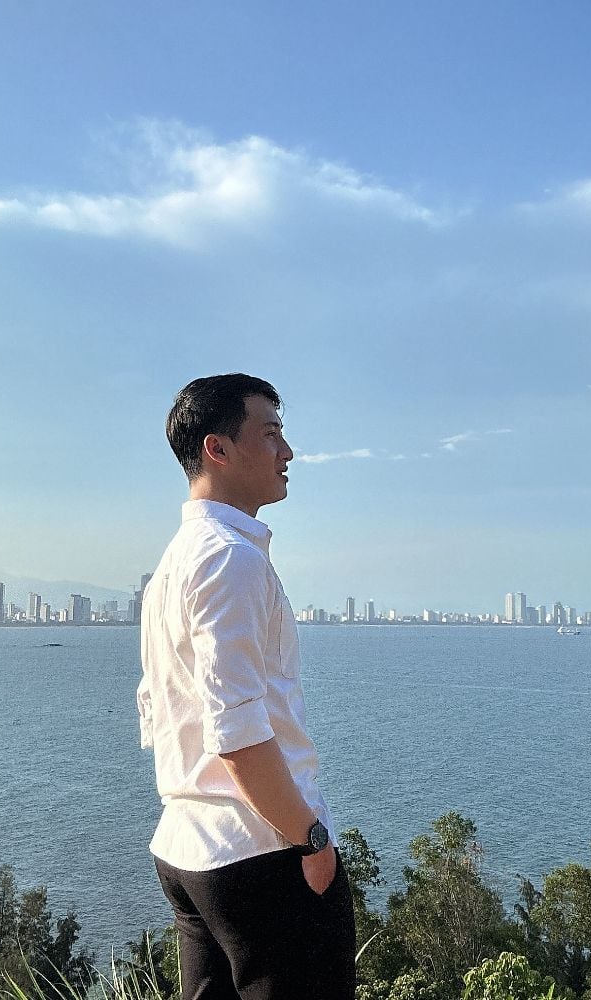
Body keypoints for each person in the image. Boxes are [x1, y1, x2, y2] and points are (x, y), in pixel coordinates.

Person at [137, 373, 356, 1000]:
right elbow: (236, 730)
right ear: (219, 449)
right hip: (259, 853)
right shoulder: (230, 558)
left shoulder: (173, 564)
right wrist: (310, 838)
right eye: (271, 434)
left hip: (189, 850)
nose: (288, 452)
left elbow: (162, 711)